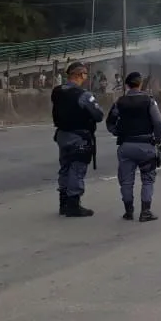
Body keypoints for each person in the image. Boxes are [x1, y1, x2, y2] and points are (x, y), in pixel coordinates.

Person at [106, 71, 161, 221]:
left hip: (126, 145)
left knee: (126, 180)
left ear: (126, 85)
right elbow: (158, 123)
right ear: (140, 84)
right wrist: (157, 139)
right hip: (146, 146)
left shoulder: (119, 102)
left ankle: (128, 211)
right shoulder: (149, 100)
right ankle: (145, 212)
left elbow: (110, 122)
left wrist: (117, 133)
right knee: (147, 179)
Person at [52, 61, 105, 217]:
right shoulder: (83, 95)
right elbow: (99, 115)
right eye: (85, 74)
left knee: (65, 168)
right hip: (79, 137)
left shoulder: (57, 91)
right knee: (77, 169)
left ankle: (63, 203)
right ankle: (73, 205)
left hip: (62, 135)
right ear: (80, 74)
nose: (86, 77)